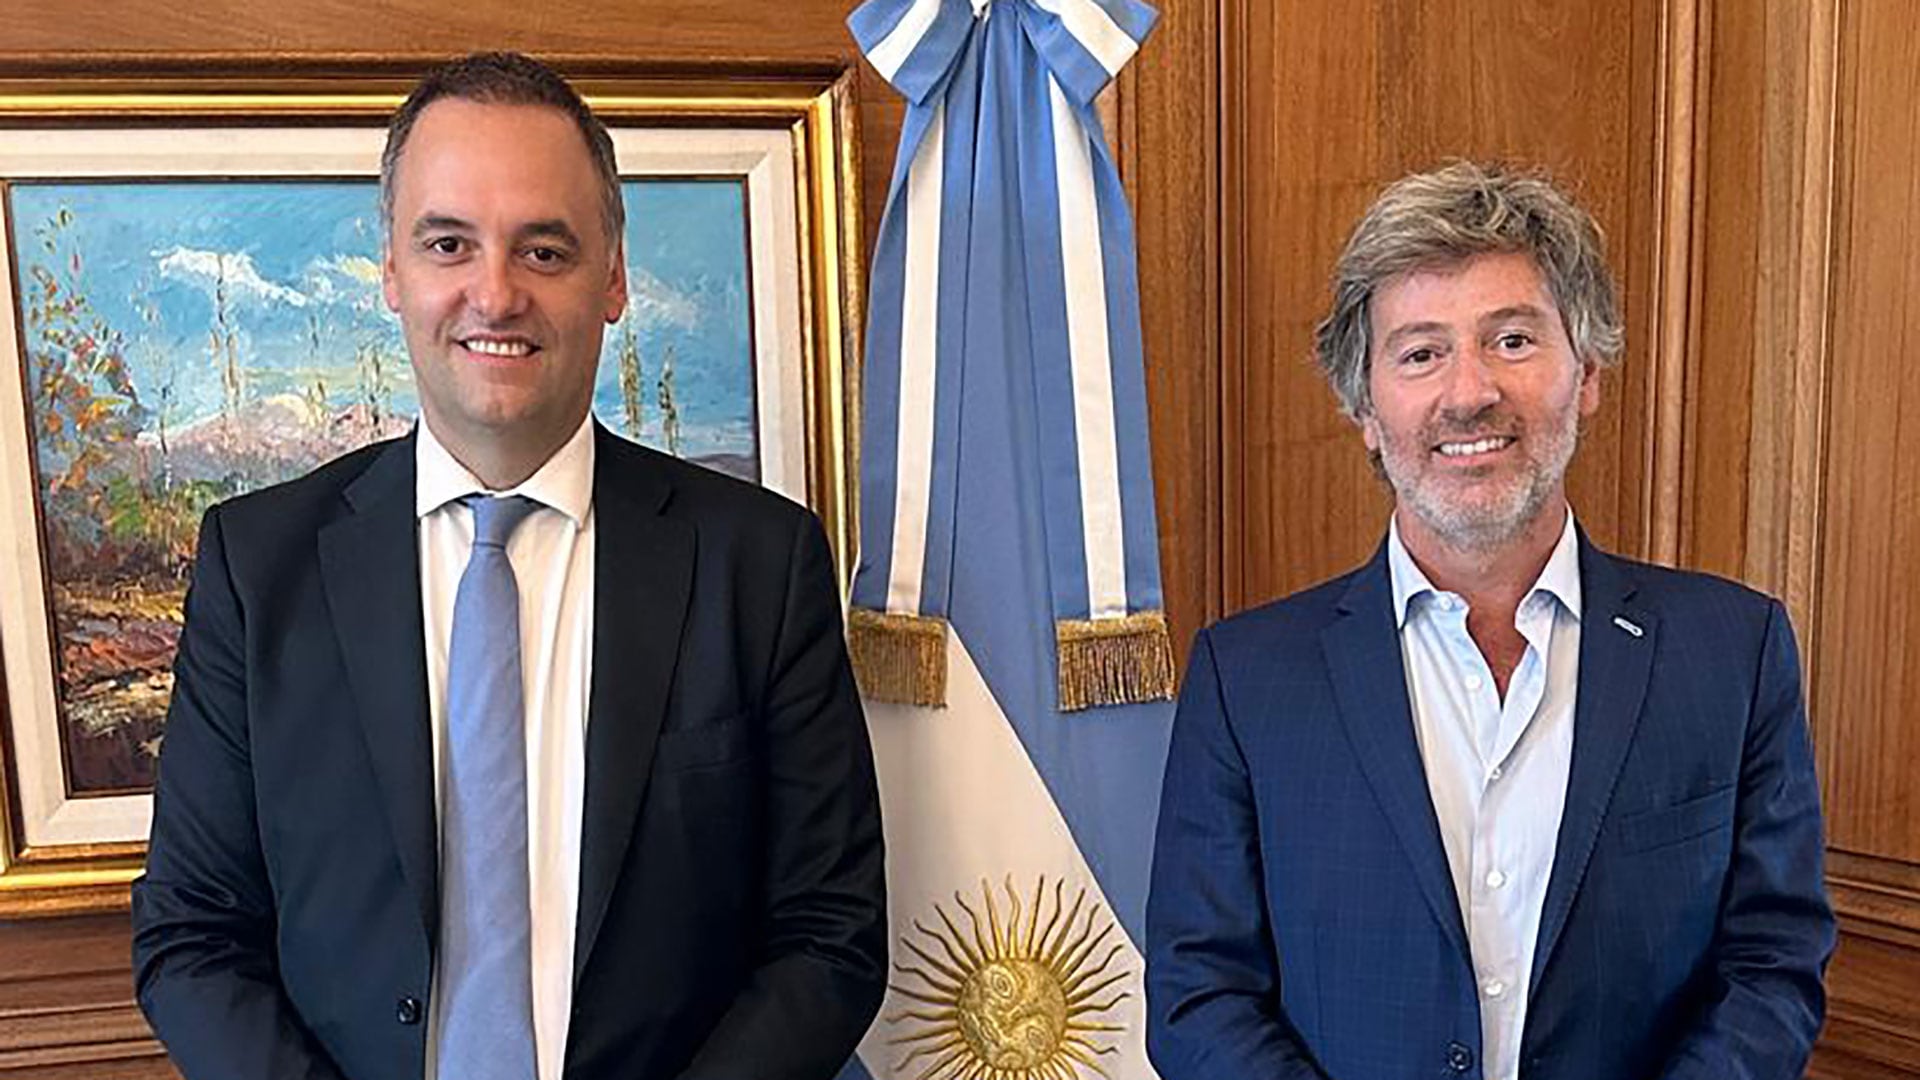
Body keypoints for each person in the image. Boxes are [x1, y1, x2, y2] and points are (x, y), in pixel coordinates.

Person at [131, 52, 886, 1080]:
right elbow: (192, 936)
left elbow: (830, 935)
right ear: (392, 272)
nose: (495, 293)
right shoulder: (257, 570)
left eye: (544, 249)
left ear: (612, 278)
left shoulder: (760, 564)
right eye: (449, 243)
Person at [1144, 161, 1834, 1080]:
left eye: (1512, 339)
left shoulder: (1733, 653)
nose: (1468, 392)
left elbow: (1772, 966)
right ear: (1364, 408)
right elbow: (1199, 994)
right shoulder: (1246, 679)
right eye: (1420, 353)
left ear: (1587, 372)